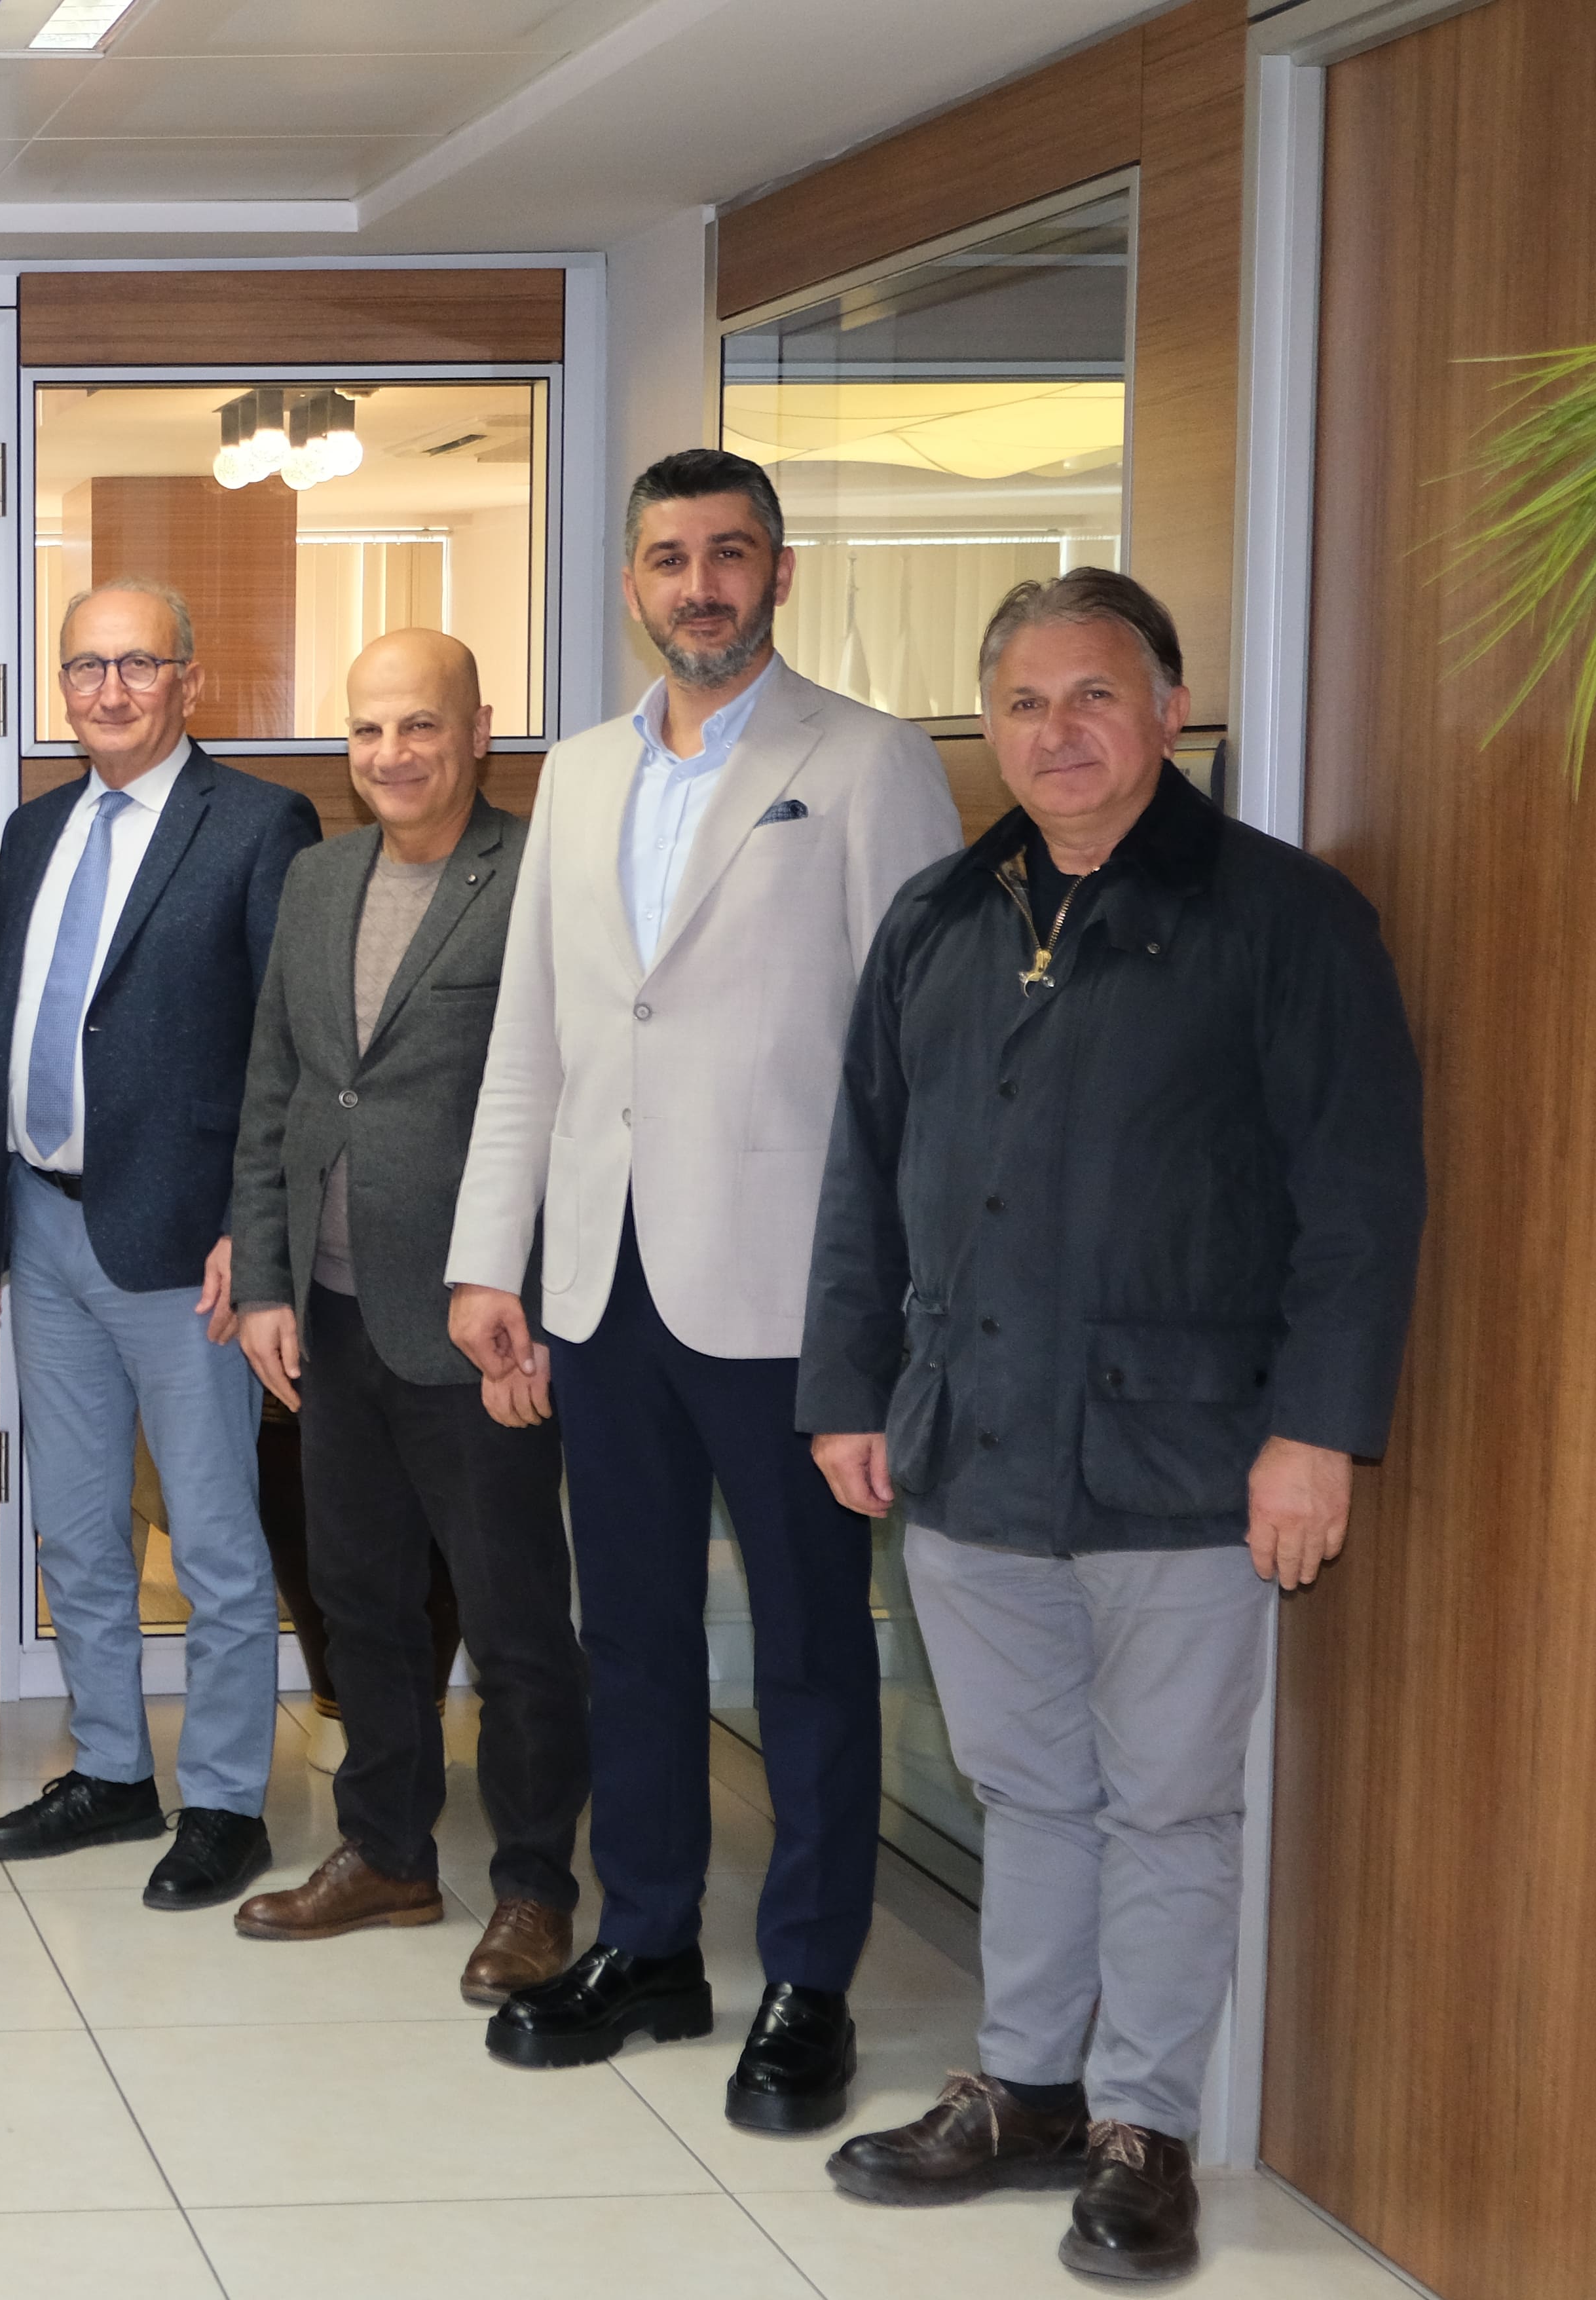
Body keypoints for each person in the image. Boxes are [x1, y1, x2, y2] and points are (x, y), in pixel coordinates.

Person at [804, 571, 1423, 2284]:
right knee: (1026, 1788)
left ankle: (1144, 2127)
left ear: (1169, 710)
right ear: (988, 728)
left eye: (1094, 696)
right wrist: (847, 1388)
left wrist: (1319, 1434)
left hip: (1192, 1460)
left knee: (1166, 1804)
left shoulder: (1288, 918)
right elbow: (865, 1174)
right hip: (970, 1446)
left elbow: (1360, 1202)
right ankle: (1026, 2091)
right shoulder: (939, 916)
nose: (1057, 731)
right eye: (1024, 702)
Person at [445, 449, 959, 2131]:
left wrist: (888, 1309)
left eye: (729, 554)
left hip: (790, 1292)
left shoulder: (864, 761)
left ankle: (808, 1975)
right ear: (631, 584)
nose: (700, 585)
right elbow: (534, 1030)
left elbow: (916, 1058)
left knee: (811, 1644)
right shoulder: (582, 772)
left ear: (778, 572)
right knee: (634, 1633)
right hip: (601, 1283)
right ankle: (650, 1938)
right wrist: (490, 1257)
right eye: (669, 558)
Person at [228, 629, 591, 1999]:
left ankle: (536, 1884)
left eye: (421, 726)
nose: (391, 754)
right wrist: (265, 1281)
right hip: (330, 1314)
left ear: (480, 730)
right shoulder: (318, 879)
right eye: (369, 729)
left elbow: (569, 1104)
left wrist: (534, 1302)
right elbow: (278, 1087)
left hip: (475, 1323)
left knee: (513, 1625)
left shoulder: (538, 878)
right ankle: (386, 1852)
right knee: (362, 1601)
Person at [0, 578, 317, 1910]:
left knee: (214, 1541)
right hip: (42, 1223)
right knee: (77, 1529)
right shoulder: (36, 829)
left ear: (188, 681)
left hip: (186, 1247)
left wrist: (252, 1228)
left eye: (137, 665)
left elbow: (287, 1045)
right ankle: (111, 1768)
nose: (108, 690)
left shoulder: (259, 825)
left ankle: (224, 1800)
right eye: (85, 667)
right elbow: (6, 1027)